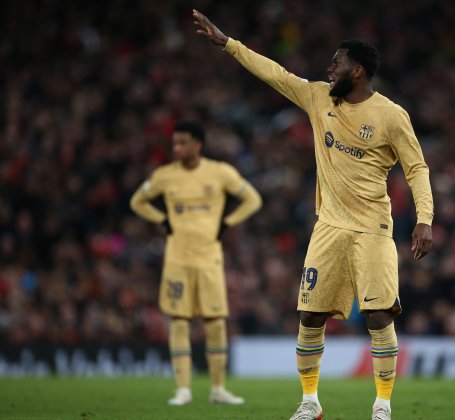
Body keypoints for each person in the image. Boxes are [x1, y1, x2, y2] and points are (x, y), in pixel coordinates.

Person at [193, 9, 433, 420]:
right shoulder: (319, 96)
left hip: (373, 229)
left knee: (377, 314)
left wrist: (425, 219)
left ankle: (382, 406)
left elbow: (417, 169)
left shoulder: (391, 116)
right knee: (310, 314)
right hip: (329, 226)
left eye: (336, 62)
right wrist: (227, 43)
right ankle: (309, 403)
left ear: (356, 71)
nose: (329, 67)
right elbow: (275, 74)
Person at [130, 121, 262, 406]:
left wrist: (228, 223)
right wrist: (162, 219)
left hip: (209, 260)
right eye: (174, 143)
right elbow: (137, 202)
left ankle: (218, 389)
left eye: (182, 143)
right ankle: (183, 389)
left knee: (215, 323)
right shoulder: (164, 176)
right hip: (177, 259)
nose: (177, 148)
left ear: (198, 144)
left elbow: (253, 199)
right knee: (179, 321)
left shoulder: (219, 172)